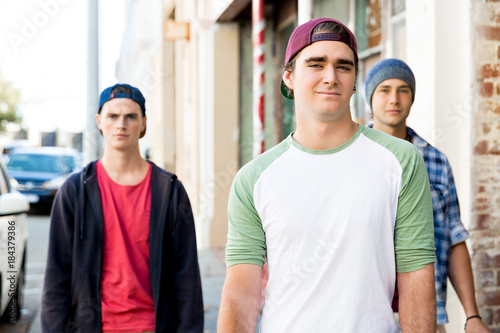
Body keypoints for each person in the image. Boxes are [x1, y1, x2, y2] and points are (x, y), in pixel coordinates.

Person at [218, 17, 436, 332]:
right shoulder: (254, 178)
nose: (331, 77)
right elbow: (240, 293)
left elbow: (416, 274)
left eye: (343, 66)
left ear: (355, 79)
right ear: (289, 77)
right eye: (316, 64)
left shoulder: (401, 161)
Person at [41, 83, 204, 332]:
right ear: (98, 121)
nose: (121, 124)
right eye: (113, 116)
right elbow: (57, 276)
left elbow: (186, 278)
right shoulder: (75, 191)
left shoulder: (169, 191)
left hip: (154, 326)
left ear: (143, 123)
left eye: (130, 116)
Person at [366, 58, 490, 333]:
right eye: (384, 90)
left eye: (403, 90)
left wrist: (472, 316)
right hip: (364, 313)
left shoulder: (435, 161)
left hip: (424, 314)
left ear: (412, 98)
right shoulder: (352, 157)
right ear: (370, 98)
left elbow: (454, 237)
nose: (394, 99)